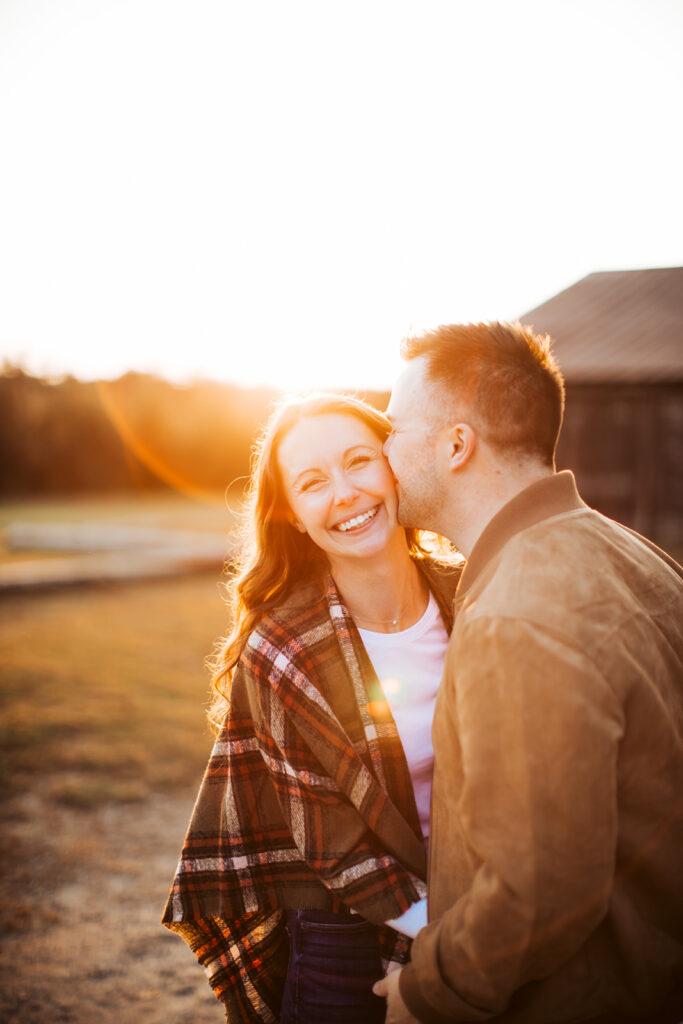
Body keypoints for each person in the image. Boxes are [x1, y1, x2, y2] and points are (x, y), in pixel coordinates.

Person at [372, 321, 683, 1024]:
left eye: (393, 428)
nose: (382, 452)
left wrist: (428, 993)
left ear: (456, 445)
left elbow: (543, 883)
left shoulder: (517, 615)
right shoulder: (634, 554)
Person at [162, 393, 462, 1023]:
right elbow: (331, 840)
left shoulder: (475, 590)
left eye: (360, 461)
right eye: (313, 483)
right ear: (293, 515)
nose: (346, 493)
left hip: (487, 900)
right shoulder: (281, 646)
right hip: (346, 929)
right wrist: (447, 942)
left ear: (396, 466)